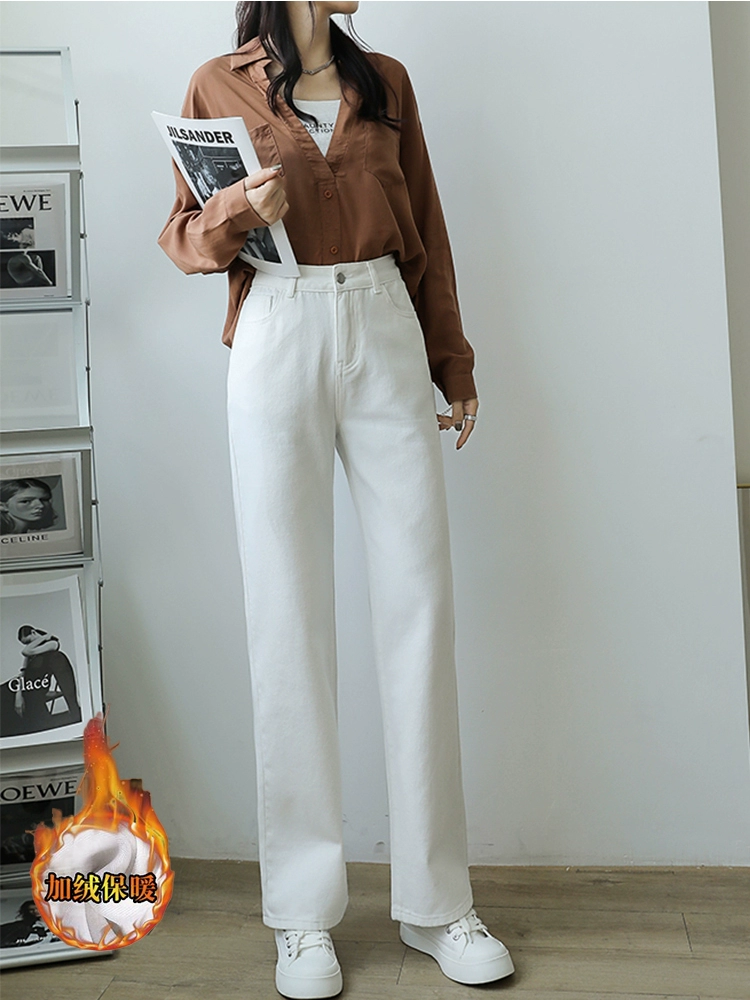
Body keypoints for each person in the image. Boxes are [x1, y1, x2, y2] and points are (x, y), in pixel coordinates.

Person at [158, 3, 514, 997]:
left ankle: (437, 902)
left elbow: (427, 227)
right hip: (275, 333)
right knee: (287, 617)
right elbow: (181, 237)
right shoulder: (215, 84)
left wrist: (453, 361)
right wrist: (240, 212)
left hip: (384, 324)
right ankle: (302, 918)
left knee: (419, 610)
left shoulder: (386, 80)